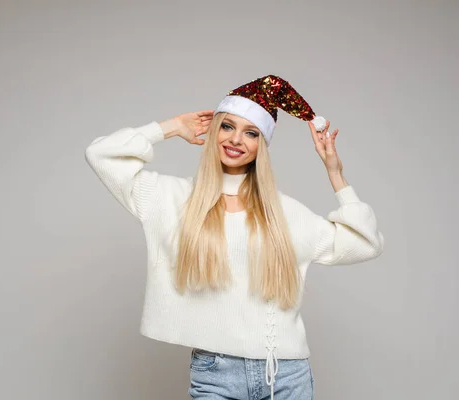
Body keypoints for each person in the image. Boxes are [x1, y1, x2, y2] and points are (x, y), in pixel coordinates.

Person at [84, 75, 384, 400]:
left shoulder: (283, 213)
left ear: (261, 146)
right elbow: (100, 154)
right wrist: (170, 127)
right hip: (215, 374)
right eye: (227, 126)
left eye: (251, 133)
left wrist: (335, 173)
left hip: (285, 376)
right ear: (214, 132)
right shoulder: (172, 199)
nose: (236, 140)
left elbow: (365, 243)